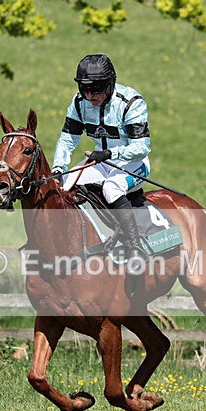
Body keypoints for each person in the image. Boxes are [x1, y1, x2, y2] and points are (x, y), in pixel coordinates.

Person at [52, 53, 151, 269]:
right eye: (84, 89)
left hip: (133, 165)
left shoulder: (131, 102)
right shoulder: (79, 103)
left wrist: (110, 154)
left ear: (109, 84)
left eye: (95, 89)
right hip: (100, 162)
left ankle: (136, 248)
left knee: (112, 188)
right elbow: (67, 140)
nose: (89, 95)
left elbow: (142, 147)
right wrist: (59, 168)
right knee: (63, 186)